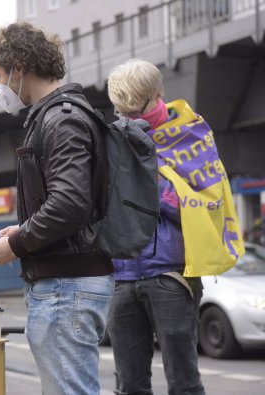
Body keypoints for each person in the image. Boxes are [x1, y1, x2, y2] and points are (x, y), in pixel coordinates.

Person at [0, 22, 114, 395]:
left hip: (64, 286)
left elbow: (70, 203)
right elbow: (65, 202)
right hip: (65, 282)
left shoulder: (62, 118)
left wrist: (19, 243)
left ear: (19, 67)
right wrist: (21, 231)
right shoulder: (61, 114)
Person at [105, 58, 210, 395]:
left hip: (171, 274)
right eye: (122, 113)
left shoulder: (190, 137)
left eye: (135, 112)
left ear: (158, 95)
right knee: (129, 385)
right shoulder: (115, 139)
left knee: (184, 383)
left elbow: (203, 206)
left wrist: (147, 179)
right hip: (123, 276)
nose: (129, 120)